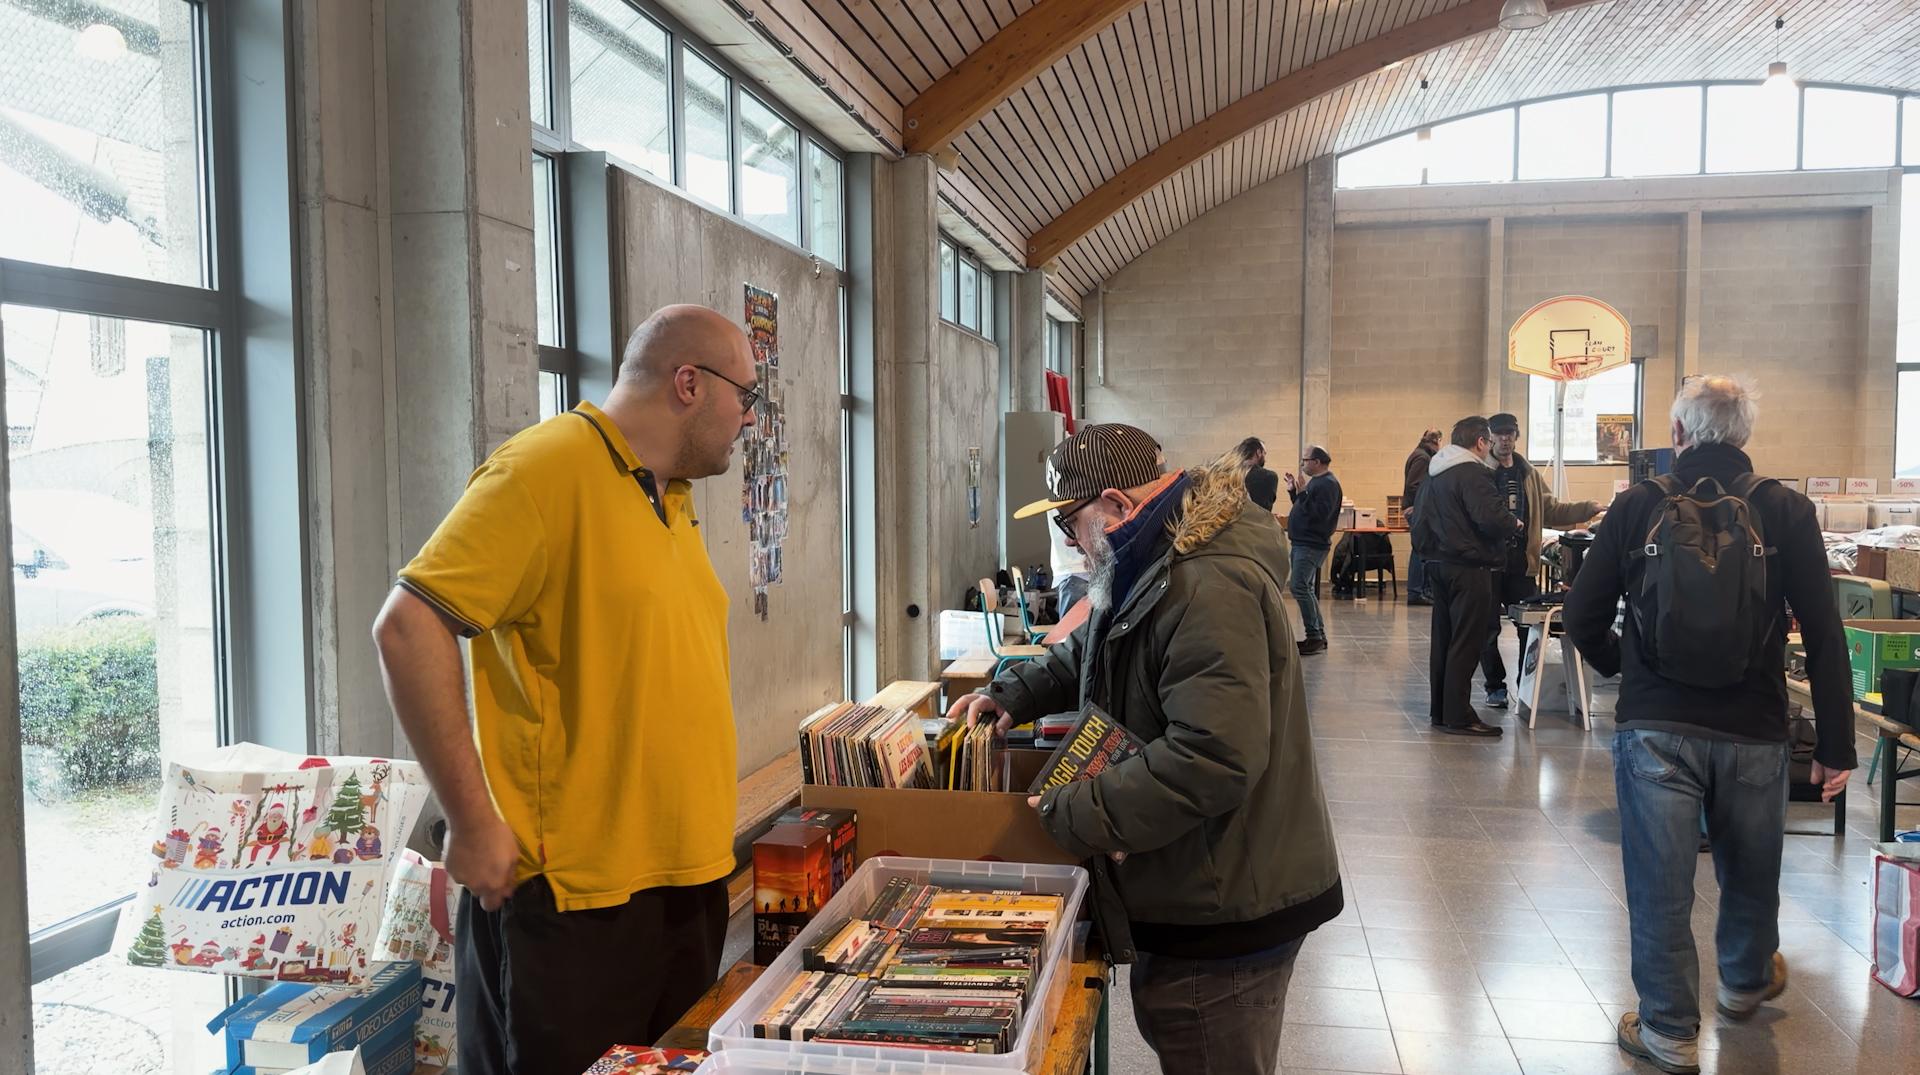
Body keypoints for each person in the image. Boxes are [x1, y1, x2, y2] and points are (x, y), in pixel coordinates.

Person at [371, 305, 759, 1075]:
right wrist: (472, 821)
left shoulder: (670, 496)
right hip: (576, 905)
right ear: (689, 383)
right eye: (745, 395)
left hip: (683, 885)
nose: (748, 417)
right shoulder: (544, 470)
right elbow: (408, 626)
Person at [948, 423, 1341, 1075]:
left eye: (1071, 525)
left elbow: (1211, 758)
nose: (1071, 545)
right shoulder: (1152, 555)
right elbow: (1097, 645)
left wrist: (1070, 814)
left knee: (1203, 1039)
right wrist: (1016, 693)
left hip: (1227, 906)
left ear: (1116, 502)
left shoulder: (1206, 580)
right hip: (1195, 883)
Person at [1563, 377, 1854, 1075]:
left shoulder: (1636, 506)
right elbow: (1823, 631)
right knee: (1752, 866)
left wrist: (1628, 672)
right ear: (1745, 435)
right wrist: (1836, 744)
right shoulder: (1785, 509)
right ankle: (1747, 978)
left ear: (1677, 432)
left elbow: (1580, 616)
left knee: (1660, 882)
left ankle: (1667, 1030)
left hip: (1657, 724)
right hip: (1754, 725)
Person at [1480, 413, 1600, 709]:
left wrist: (1588, 508)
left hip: (1521, 564)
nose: (1505, 439)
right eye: (1499, 434)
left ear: (1517, 436)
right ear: (1490, 437)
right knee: (1487, 629)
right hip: (1488, 563)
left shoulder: (1528, 474)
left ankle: (1526, 684)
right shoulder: (1480, 472)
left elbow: (1553, 510)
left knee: (1528, 628)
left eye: (1510, 433)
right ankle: (1494, 685)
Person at [1410, 417, 1520, 737]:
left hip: (1438, 564)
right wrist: (1512, 524)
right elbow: (1489, 517)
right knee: (1466, 641)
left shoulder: (1435, 472)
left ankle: (1441, 712)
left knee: (1444, 641)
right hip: (1470, 567)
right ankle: (1459, 715)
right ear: (1481, 443)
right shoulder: (1472, 471)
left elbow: (1419, 521)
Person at [1284, 446, 1341, 655]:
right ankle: (1318, 635)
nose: (1302, 464)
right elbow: (1303, 508)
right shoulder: (1318, 482)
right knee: (1304, 588)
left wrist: (1301, 495)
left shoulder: (1328, 484)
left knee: (1299, 586)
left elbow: (1319, 515)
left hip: (1311, 544)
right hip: (1304, 542)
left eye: (1305, 460)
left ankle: (1314, 635)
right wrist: (1294, 491)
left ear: (1317, 462)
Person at [1402, 428, 1440, 606]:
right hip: (1418, 510)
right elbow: (1414, 485)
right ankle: (1416, 591)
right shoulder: (1422, 457)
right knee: (1420, 549)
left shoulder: (1420, 454)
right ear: (1436, 441)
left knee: (1422, 549)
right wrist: (1419, 506)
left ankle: (1421, 590)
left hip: (1417, 508)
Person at [1239, 436, 1279, 512]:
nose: (1265, 459)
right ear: (1258, 452)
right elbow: (1264, 512)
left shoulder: (1228, 474)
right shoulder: (1268, 476)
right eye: (1264, 453)